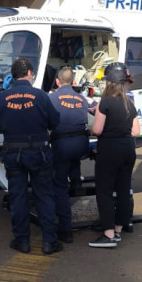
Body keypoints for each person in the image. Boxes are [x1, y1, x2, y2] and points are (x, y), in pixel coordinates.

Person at [0, 57, 62, 255]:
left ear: (12, 76)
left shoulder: (3, 96)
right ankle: (49, 242)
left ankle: (22, 241)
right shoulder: (41, 96)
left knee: (17, 197)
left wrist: (1, 92)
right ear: (29, 73)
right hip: (39, 152)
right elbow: (55, 122)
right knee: (44, 196)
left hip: (13, 153)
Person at [88, 62, 140, 248]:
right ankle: (118, 229)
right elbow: (136, 132)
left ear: (109, 82)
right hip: (128, 149)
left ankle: (108, 234)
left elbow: (97, 129)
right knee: (124, 190)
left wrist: (96, 116)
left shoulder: (105, 102)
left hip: (109, 150)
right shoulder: (130, 103)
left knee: (105, 191)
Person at [47, 66, 90, 243]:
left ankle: (65, 230)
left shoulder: (51, 98)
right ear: (74, 82)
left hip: (62, 145)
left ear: (57, 82)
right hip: (81, 145)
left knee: (59, 186)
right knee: (74, 158)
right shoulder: (82, 98)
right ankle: (77, 182)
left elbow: (47, 122)